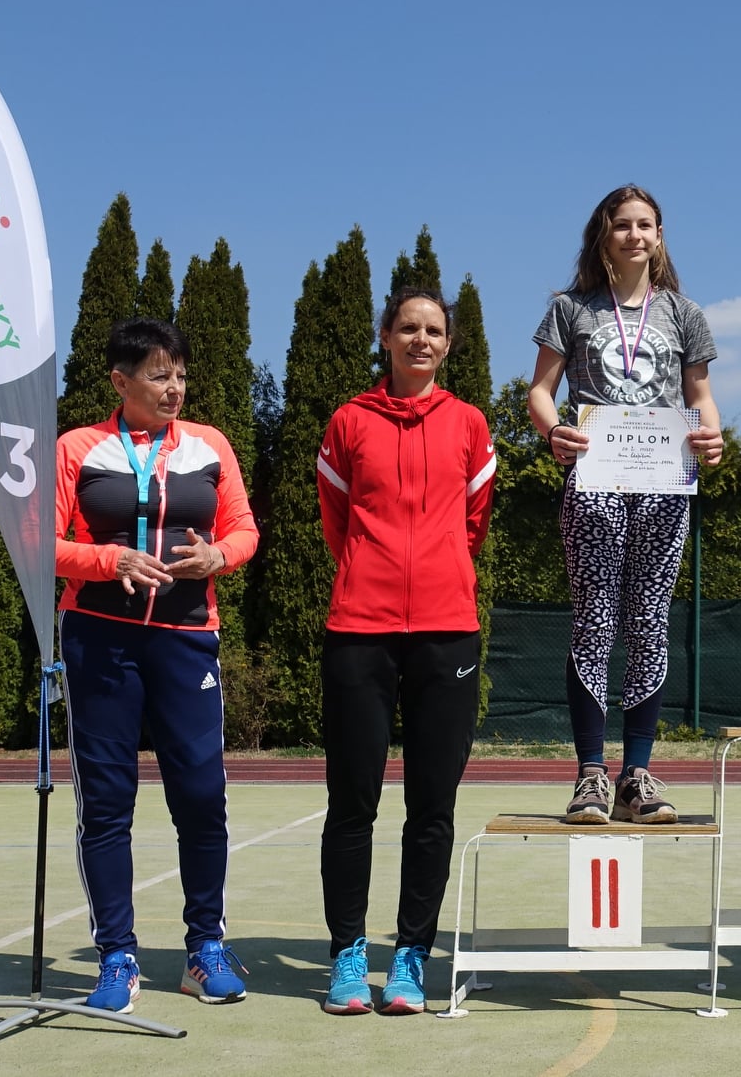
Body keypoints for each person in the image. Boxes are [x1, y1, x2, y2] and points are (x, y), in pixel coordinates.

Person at [55, 318, 258, 1012]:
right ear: (121, 381)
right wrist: (108, 559)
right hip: (99, 639)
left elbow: (244, 530)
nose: (174, 388)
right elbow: (43, 541)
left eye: (181, 375)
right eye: (158, 375)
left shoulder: (209, 445)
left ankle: (205, 950)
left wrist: (218, 556)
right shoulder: (77, 447)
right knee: (107, 802)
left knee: (201, 798)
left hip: (186, 638)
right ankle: (116, 957)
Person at [316, 287, 496, 1015]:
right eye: (408, 328)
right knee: (351, 803)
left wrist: (437, 572)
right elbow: (337, 520)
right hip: (359, 629)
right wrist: (374, 572)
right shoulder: (348, 422)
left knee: (432, 806)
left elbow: (474, 521)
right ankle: (348, 954)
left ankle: (412, 956)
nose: (421, 340)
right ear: (386, 337)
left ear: (447, 345)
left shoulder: (470, 424)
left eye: (434, 331)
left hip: (447, 630)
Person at [529, 184, 723, 827]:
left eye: (645, 225)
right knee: (594, 621)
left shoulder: (685, 313)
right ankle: (590, 773)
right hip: (594, 481)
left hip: (665, 484)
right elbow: (540, 391)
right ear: (603, 236)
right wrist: (555, 431)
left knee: (649, 622)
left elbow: (700, 396)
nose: (634, 235)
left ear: (659, 236)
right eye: (622, 225)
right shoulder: (569, 308)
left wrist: (712, 436)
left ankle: (636, 774)